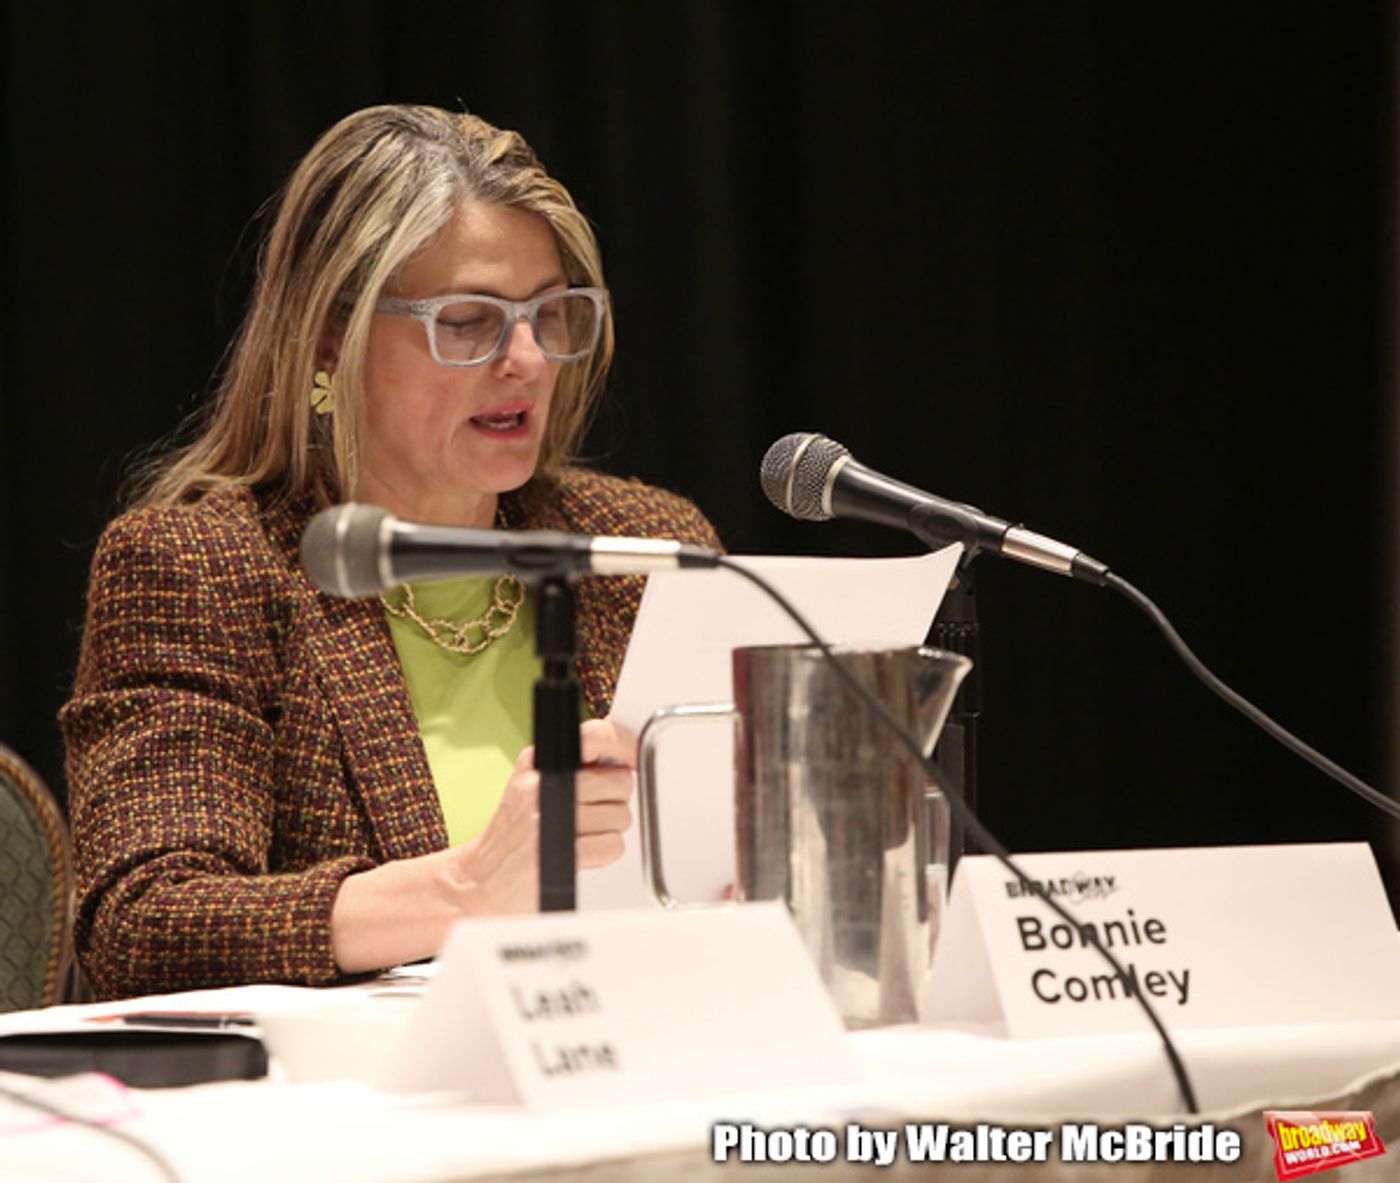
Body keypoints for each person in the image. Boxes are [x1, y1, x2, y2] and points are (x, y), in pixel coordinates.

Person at [60, 104, 720, 1000]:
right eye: (468, 321)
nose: (526, 358)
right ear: (333, 338)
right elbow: (145, 926)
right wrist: (468, 887)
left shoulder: (645, 551)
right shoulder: (202, 566)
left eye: (551, 315)